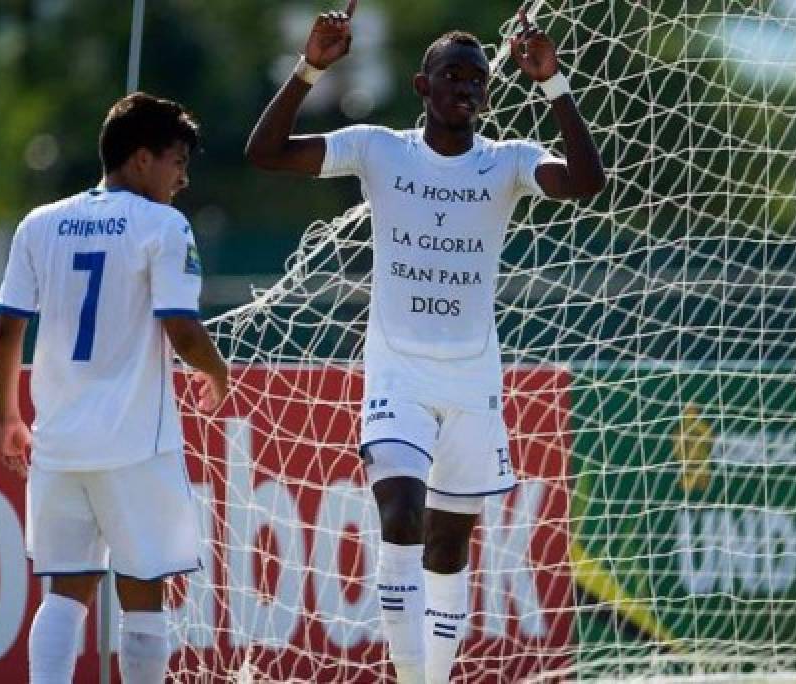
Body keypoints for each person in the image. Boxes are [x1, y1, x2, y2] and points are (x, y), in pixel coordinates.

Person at [245, 2, 605, 682]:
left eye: (476, 79)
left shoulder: (508, 162)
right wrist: (309, 68)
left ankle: (432, 677)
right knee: (402, 512)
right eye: (452, 76)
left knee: (447, 546)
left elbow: (586, 183)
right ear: (422, 85)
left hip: (471, 383)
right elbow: (264, 154)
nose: (465, 88)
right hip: (398, 377)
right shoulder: (378, 148)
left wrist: (555, 85)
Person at [0, 92, 229, 684]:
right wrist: (217, 370)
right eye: (177, 161)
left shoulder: (39, 223)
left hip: (60, 443)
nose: (183, 177)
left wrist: (7, 417)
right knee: (143, 590)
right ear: (142, 159)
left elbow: (6, 328)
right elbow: (181, 328)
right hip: (133, 445)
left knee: (65, 593)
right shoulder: (163, 225)